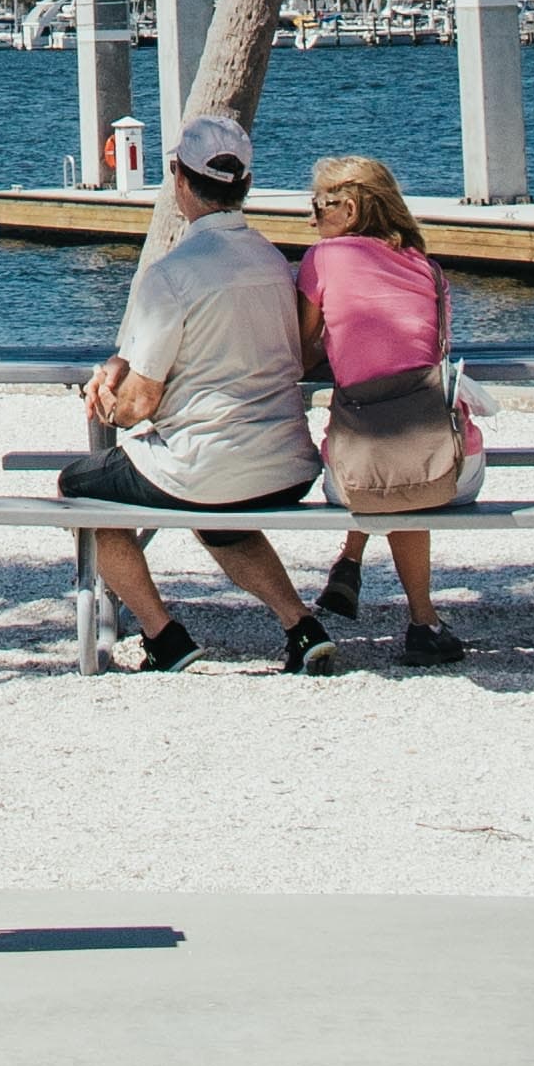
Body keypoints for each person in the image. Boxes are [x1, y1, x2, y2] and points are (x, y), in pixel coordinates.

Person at [59, 111, 341, 676]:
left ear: (177, 179)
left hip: (206, 469)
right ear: (246, 186)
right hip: (288, 465)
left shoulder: (171, 274)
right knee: (217, 512)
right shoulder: (273, 263)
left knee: (80, 489)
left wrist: (106, 396)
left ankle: (163, 636)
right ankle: (300, 624)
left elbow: (138, 406)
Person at [297, 153, 480, 667]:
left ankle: (413, 610)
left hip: (370, 473)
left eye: (318, 206)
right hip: (456, 466)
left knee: (385, 465)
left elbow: (301, 351)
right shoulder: (427, 267)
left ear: (349, 209)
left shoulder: (324, 260)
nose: (310, 219)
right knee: (399, 453)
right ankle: (398, 602)